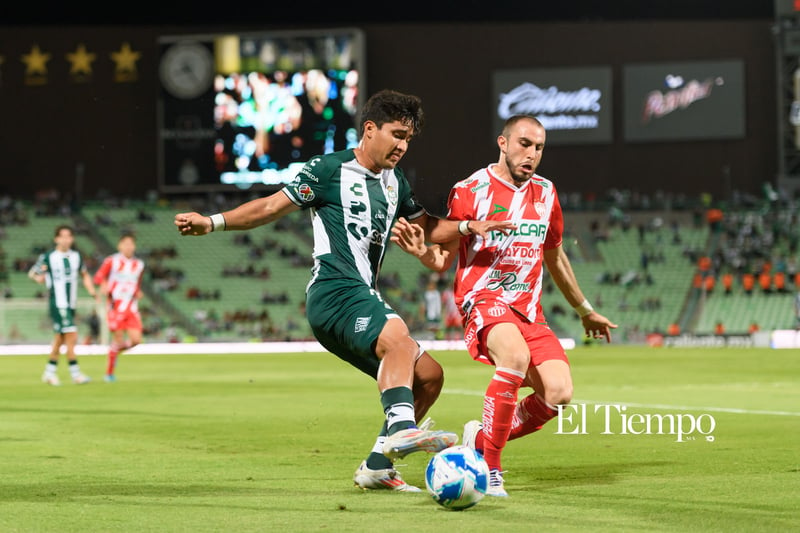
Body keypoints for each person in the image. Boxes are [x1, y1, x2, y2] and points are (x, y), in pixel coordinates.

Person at [173, 89, 515, 492]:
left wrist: (467, 227)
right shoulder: (328, 169)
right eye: (396, 134)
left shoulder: (395, 182)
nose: (403, 146)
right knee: (399, 341)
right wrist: (211, 222)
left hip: (361, 293)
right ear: (369, 129)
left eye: (408, 139)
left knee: (429, 377)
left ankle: (377, 466)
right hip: (334, 292)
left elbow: (426, 227)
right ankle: (403, 428)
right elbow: (269, 208)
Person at [391, 114, 617, 497]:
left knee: (558, 394)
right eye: (524, 144)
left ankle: (480, 437)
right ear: (503, 142)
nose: (531, 154)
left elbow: (555, 256)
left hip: (529, 310)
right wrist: (422, 255)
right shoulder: (471, 189)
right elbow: (445, 259)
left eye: (539, 147)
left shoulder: (546, 193)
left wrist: (584, 309)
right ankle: (490, 471)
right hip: (485, 300)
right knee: (513, 357)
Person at [28, 224, 96, 386]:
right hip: (58, 304)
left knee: (60, 339)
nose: (66, 240)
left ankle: (49, 373)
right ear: (56, 238)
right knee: (72, 335)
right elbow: (33, 273)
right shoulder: (49, 256)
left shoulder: (76, 257)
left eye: (69, 236)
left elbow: (84, 274)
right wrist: (38, 278)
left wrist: (93, 292)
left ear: (72, 239)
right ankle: (76, 374)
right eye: (62, 236)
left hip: (71, 304)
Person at [93, 233, 145, 382]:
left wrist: (138, 291)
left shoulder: (139, 264)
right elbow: (98, 277)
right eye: (125, 244)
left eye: (131, 244)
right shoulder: (112, 261)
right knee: (118, 338)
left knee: (136, 340)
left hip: (132, 307)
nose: (129, 247)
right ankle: (109, 373)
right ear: (119, 246)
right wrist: (104, 286)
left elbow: (137, 282)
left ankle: (113, 351)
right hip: (115, 306)